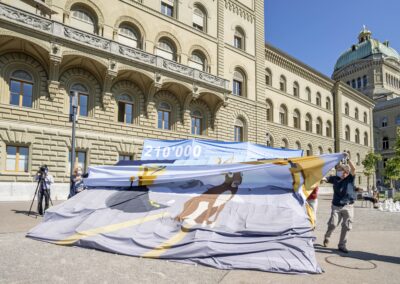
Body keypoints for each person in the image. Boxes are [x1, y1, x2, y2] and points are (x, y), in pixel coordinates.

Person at [322, 153, 356, 253]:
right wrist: (322, 178)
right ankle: (327, 237)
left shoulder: (350, 178)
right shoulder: (335, 179)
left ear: (346, 172)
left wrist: (348, 159)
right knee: (333, 224)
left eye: (340, 171)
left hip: (348, 206)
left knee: (346, 226)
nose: (339, 172)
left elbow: (353, 169)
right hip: (336, 206)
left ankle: (342, 245)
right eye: (338, 170)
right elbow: (325, 178)